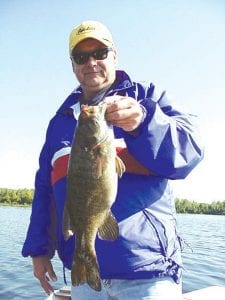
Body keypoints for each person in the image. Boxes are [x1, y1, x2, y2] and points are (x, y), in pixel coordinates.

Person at [22, 20, 204, 300]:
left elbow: (189, 153)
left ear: (114, 56)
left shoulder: (147, 97)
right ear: (73, 65)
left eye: (100, 53)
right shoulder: (59, 123)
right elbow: (45, 190)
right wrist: (39, 249)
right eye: (81, 57)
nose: (91, 62)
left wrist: (144, 122)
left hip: (147, 272)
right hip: (82, 273)